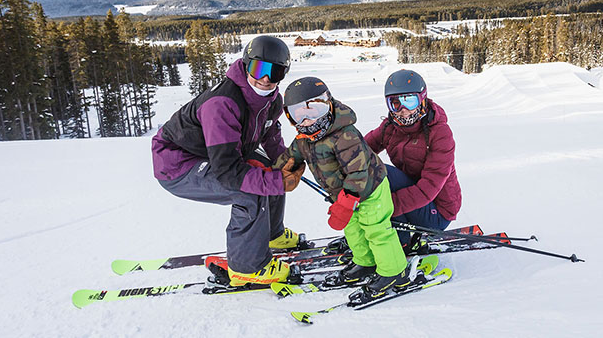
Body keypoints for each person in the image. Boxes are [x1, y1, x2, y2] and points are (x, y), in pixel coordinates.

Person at [150, 35, 304, 286]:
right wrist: (276, 181)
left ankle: (271, 234)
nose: (265, 78)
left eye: (274, 72)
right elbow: (228, 173)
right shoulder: (222, 103)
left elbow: (270, 133)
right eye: (258, 68)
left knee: (270, 170)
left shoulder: (272, 100)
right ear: (245, 65)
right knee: (250, 190)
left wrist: (286, 162)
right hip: (177, 163)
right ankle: (247, 267)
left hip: (218, 151)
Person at [273, 76, 410, 300]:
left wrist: (347, 202)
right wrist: (273, 172)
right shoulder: (304, 139)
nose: (308, 120)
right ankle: (365, 262)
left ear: (328, 104)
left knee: (375, 229)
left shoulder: (345, 135)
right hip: (343, 195)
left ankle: (394, 271)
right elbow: (290, 157)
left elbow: (358, 173)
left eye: (315, 109)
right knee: (353, 229)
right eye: (299, 114)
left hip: (370, 190)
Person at [365, 69, 462, 253]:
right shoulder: (390, 127)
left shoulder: (440, 133)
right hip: (413, 199)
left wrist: (384, 206)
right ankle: (382, 230)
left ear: (422, 99)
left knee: (382, 175)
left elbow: (429, 188)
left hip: (438, 212)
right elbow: (360, 151)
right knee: (371, 170)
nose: (403, 110)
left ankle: (401, 245)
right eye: (395, 103)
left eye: (409, 101)